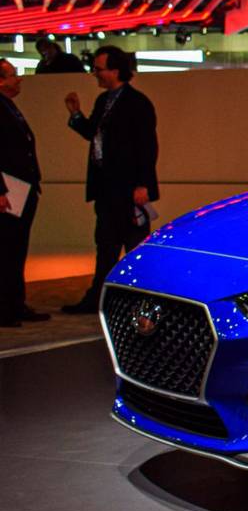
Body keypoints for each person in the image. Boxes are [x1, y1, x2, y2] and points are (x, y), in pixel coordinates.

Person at [61, 46, 159, 314]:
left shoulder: (137, 103)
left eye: (99, 69)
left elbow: (147, 146)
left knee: (134, 246)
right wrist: (76, 115)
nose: (95, 74)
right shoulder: (104, 101)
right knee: (105, 244)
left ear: (115, 71)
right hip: (107, 188)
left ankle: (139, 300)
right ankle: (100, 298)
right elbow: (93, 133)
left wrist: (143, 184)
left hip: (128, 189)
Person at [0, 59, 50, 327]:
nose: (18, 79)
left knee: (16, 249)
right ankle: (6, 307)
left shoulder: (8, 106)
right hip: (10, 190)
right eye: (13, 75)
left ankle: (15, 303)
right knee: (7, 249)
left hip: (21, 188)